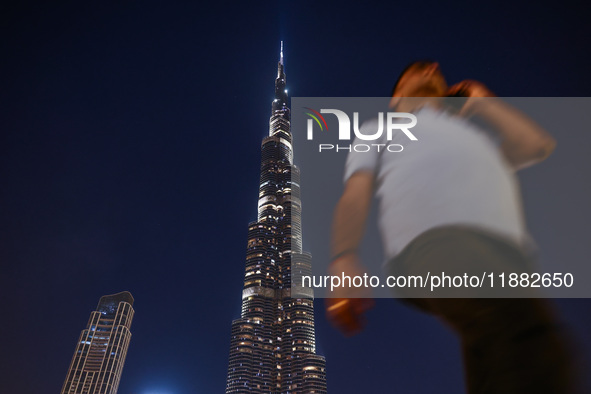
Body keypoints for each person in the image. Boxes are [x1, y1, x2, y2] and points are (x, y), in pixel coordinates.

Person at [325, 61, 578, 393]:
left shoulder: (470, 136)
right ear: (395, 96)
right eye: (416, 69)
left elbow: (535, 145)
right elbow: (356, 189)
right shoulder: (381, 130)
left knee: (497, 364)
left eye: (435, 69)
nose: (432, 68)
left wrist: (483, 101)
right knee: (532, 350)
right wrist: (344, 256)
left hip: (506, 258)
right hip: (437, 243)